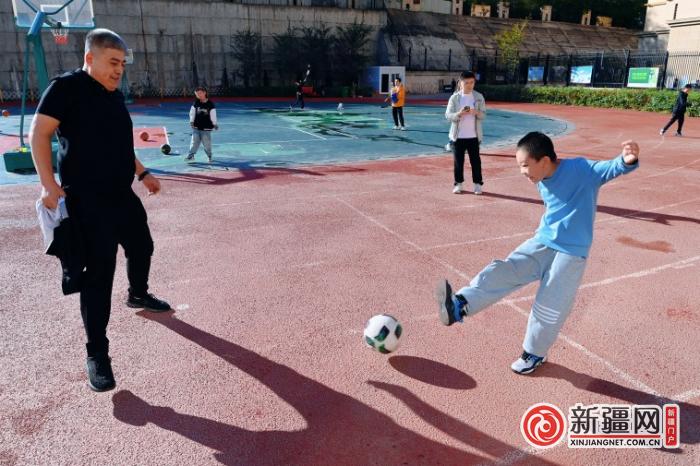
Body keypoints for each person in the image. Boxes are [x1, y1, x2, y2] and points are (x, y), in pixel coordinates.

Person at [30, 28, 171, 393]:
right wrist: (48, 183)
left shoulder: (113, 96)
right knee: (100, 274)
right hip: (87, 200)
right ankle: (97, 352)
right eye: (112, 62)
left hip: (120, 194)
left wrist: (143, 172)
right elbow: (39, 133)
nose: (118, 70)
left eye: (122, 64)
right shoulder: (66, 88)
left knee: (142, 246)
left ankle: (138, 293)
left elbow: (120, 144)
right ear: (90, 58)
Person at [435, 132, 639, 375]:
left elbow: (609, 169)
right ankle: (460, 304)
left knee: (550, 304)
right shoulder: (540, 177)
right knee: (505, 268)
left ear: (543, 160)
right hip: (543, 241)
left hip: (571, 252)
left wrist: (626, 160)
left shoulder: (581, 170)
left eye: (524, 165)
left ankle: (533, 353)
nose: (522, 172)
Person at [445, 71, 486, 194]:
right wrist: (459, 114)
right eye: (466, 82)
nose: (469, 85)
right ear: (460, 83)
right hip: (458, 137)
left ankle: (478, 184)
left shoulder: (479, 97)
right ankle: (458, 184)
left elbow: (483, 115)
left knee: (476, 162)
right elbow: (447, 115)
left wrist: (476, 112)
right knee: (458, 162)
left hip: (474, 136)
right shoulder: (454, 98)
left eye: (472, 82)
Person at [185, 86, 218, 163]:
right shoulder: (196, 103)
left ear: (204, 93)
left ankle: (209, 156)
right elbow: (192, 113)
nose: (198, 95)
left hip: (206, 128)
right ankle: (191, 156)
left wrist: (215, 123)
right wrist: (191, 121)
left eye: (200, 93)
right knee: (194, 142)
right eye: (197, 94)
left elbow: (213, 114)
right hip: (196, 127)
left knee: (207, 144)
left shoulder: (210, 104)